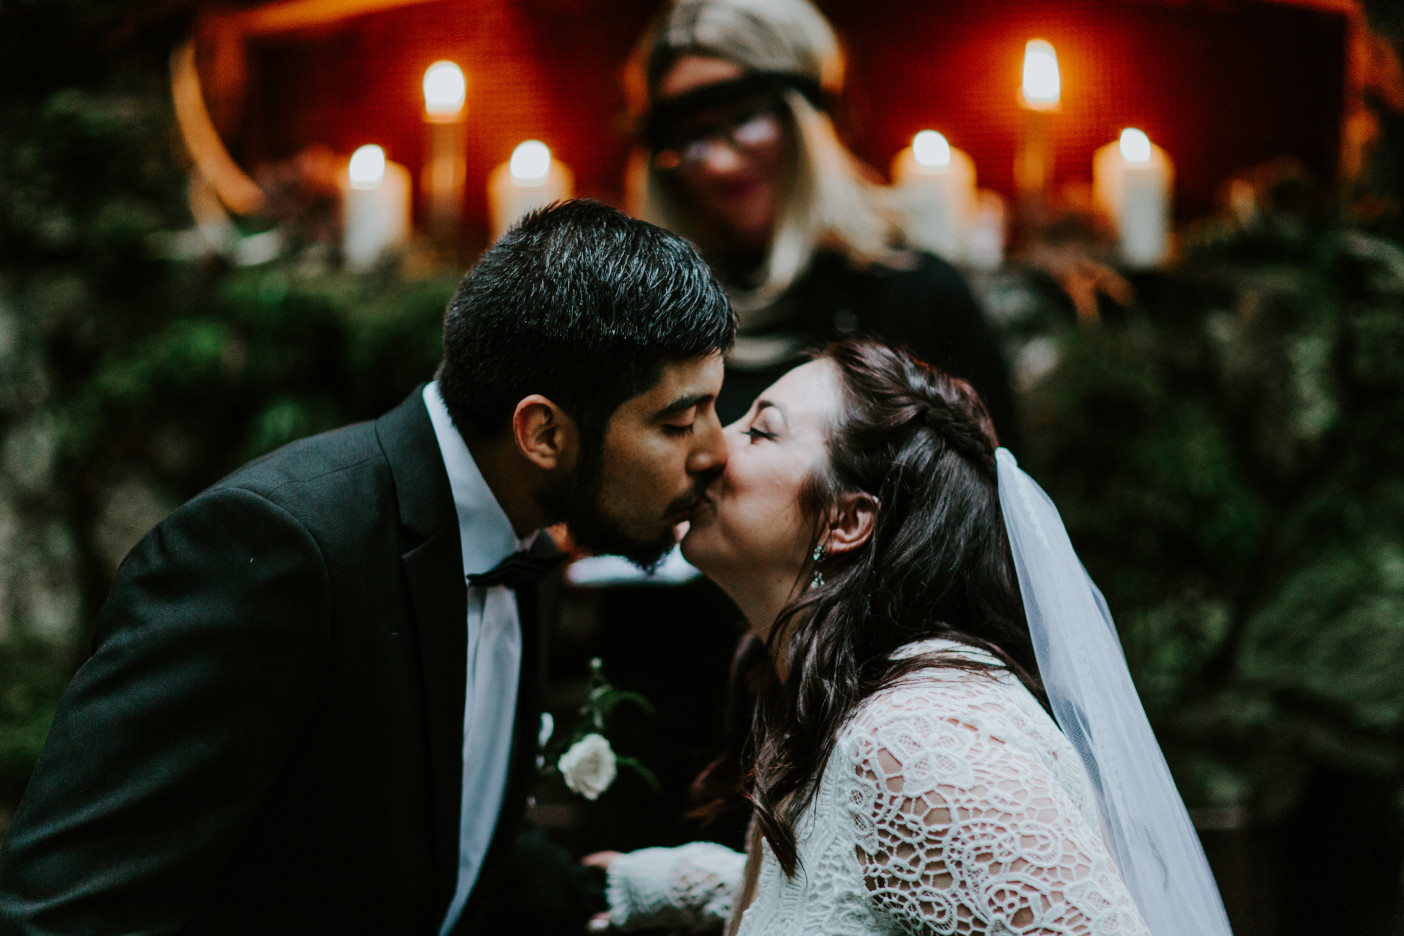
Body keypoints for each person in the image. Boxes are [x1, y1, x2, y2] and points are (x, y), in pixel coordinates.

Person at [0, 200, 737, 935]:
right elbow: (70, 908)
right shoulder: (278, 549)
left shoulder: (524, 559)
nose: (715, 452)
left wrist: (643, 888)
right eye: (678, 422)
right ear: (542, 432)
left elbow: (445, 843)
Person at [591, 340, 1234, 936]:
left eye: (759, 430)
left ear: (847, 520)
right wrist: (671, 884)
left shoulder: (916, 745)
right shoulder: (834, 703)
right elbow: (843, 890)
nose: (711, 450)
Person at [624, 0, 1018, 445]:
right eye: (689, 137)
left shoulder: (920, 299)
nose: (717, 162)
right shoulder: (650, 329)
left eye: (742, 118)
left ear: (806, 122)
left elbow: (997, 501)